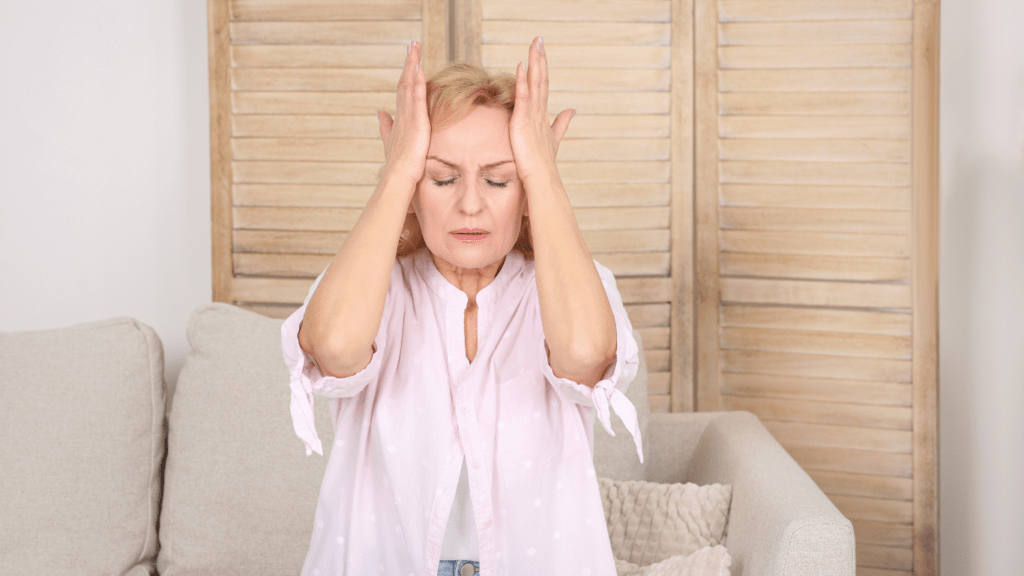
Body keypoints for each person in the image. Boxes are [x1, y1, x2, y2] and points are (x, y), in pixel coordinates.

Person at [281, 37, 643, 576]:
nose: (469, 203)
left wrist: (543, 174)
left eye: (498, 179)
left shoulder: (574, 288)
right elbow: (334, 347)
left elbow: (586, 354)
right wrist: (398, 172)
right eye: (442, 177)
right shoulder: (372, 287)